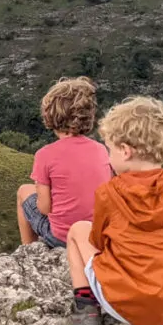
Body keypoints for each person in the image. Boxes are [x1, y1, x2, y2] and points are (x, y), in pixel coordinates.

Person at [54, 96, 163, 325]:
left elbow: (98, 242)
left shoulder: (110, 193)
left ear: (125, 150)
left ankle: (86, 312)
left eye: (110, 150)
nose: (109, 156)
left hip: (124, 305)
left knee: (78, 231)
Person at [16, 77, 112, 248]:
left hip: (62, 238)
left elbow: (45, 208)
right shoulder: (101, 150)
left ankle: (28, 250)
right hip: (97, 236)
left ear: (50, 115)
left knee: (24, 191)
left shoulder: (45, 155)